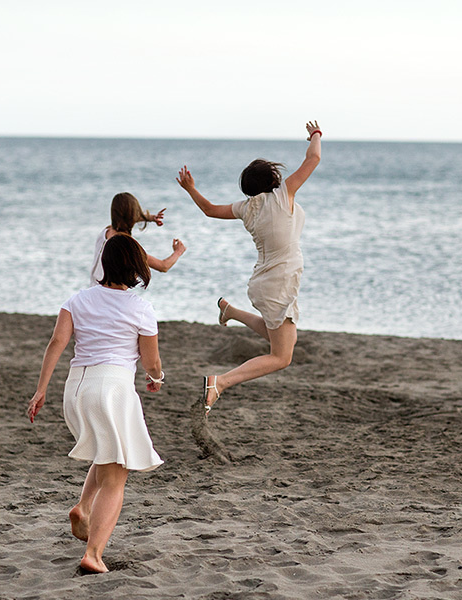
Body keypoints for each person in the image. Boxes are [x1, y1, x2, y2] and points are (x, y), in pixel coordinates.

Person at [27, 233, 165, 574]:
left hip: (75, 390)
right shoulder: (140, 308)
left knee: (108, 452)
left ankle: (83, 507)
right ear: (136, 267)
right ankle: (94, 553)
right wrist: (157, 378)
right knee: (117, 477)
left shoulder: (77, 299)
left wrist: (41, 389)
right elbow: (151, 363)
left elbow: (57, 342)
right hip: (111, 389)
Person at [176, 120, 322, 413]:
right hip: (278, 283)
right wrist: (315, 135)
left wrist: (191, 188)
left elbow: (209, 210)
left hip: (265, 282)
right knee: (281, 357)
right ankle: (220, 382)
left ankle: (231, 311)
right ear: (273, 180)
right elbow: (314, 158)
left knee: (282, 340)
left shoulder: (246, 208)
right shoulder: (284, 195)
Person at [89, 192, 186, 286]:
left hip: (94, 290)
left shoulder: (107, 231)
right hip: (107, 296)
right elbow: (163, 266)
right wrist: (178, 252)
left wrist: (150, 218)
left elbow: (125, 218)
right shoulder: (125, 246)